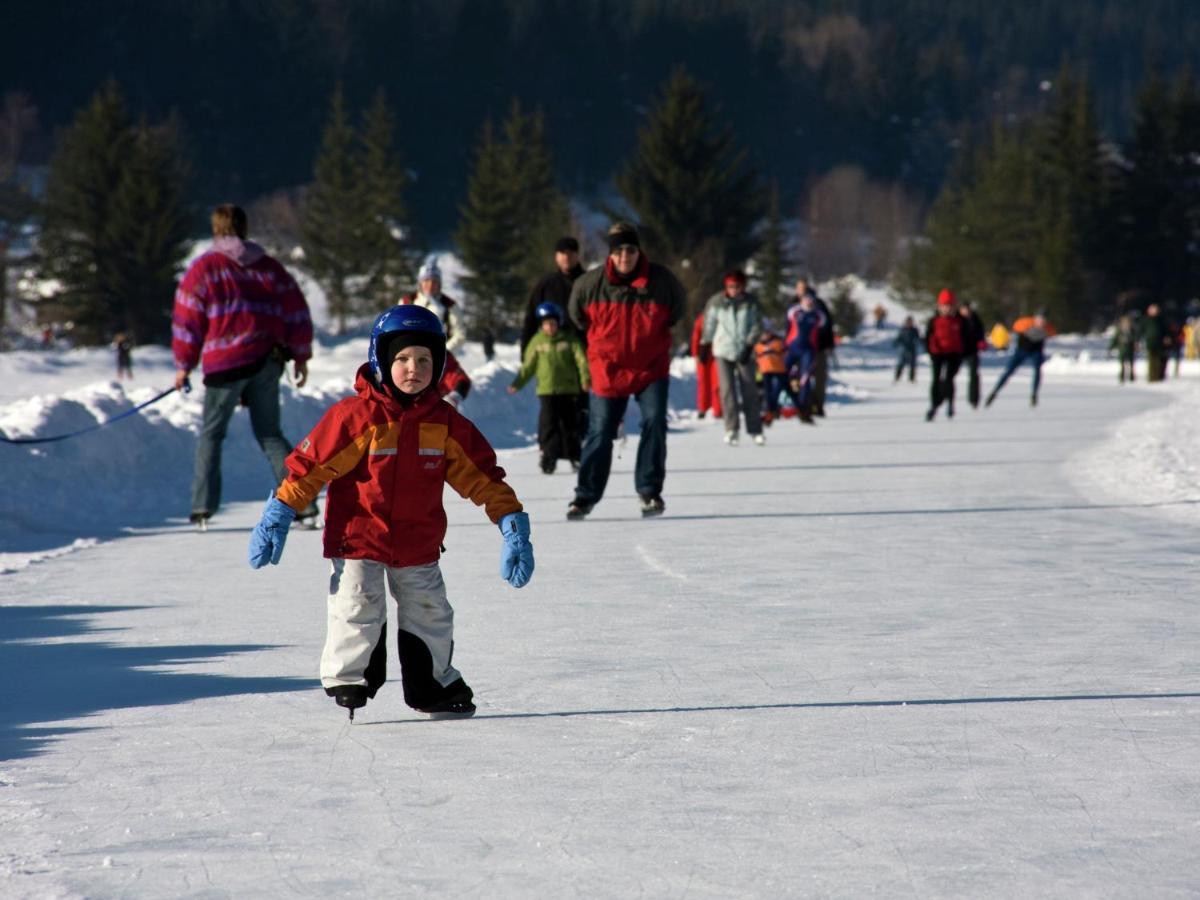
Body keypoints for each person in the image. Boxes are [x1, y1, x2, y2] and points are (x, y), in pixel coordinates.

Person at [247, 305, 533, 719]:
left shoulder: (446, 425)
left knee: (431, 612)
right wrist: (280, 511)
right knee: (357, 602)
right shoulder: (356, 418)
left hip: (418, 541)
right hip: (359, 537)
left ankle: (432, 684)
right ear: (380, 360)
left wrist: (511, 525)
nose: (412, 368)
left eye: (423, 360)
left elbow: (484, 478)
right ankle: (350, 674)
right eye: (401, 359)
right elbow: (310, 468)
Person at [172, 203, 316, 529]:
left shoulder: (204, 270)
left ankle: (202, 509)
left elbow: (187, 320)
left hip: (225, 365)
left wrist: (184, 364)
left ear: (215, 230)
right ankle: (304, 505)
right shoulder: (270, 269)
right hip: (268, 360)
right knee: (270, 434)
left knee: (211, 435)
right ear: (245, 229)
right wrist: (301, 355)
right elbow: (297, 312)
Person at [566, 222, 685, 520]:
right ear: (611, 253)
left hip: (651, 368)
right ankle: (585, 497)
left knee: (655, 420)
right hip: (608, 368)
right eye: (618, 251)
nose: (624, 257)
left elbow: (677, 311)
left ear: (638, 251)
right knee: (601, 430)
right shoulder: (590, 284)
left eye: (630, 250)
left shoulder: (662, 281)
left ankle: (649, 491)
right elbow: (576, 316)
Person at [507, 301, 590, 473]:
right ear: (541, 325)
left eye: (553, 323)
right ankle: (549, 456)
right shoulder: (537, 342)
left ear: (559, 322)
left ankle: (574, 455)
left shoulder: (569, 340)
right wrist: (517, 383)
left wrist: (585, 379)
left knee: (570, 425)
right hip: (547, 390)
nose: (550, 328)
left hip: (568, 390)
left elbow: (582, 361)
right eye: (546, 324)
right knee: (548, 425)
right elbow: (528, 367)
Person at [701, 270, 764, 445]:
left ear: (743, 286)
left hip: (745, 351)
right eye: (730, 286)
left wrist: (750, 344)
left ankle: (755, 429)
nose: (734, 290)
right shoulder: (716, 302)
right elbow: (709, 324)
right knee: (727, 390)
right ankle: (731, 428)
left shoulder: (751, 303)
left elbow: (757, 326)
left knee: (749, 389)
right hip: (723, 350)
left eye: (737, 286)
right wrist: (705, 344)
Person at [520, 237, 586, 355]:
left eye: (570, 253)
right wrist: (525, 352)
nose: (566, 257)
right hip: (553, 353)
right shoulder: (546, 284)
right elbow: (531, 319)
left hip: (584, 348)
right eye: (562, 253)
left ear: (577, 255)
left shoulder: (588, 282)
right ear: (556, 256)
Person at [985, 310, 1056, 407]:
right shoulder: (1026, 323)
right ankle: (994, 392)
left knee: (1037, 371)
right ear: (1035, 318)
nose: (1041, 322)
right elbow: (1015, 327)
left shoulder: (1048, 328)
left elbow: (1052, 334)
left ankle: (1034, 394)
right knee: (1009, 371)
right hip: (1021, 351)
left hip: (1036, 352)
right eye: (1040, 320)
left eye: (1043, 320)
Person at [790, 279, 835, 416]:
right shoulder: (793, 305)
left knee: (819, 377)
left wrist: (828, 344)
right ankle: (803, 404)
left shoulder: (818, 304)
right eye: (798, 288)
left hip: (818, 347)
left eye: (803, 288)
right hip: (798, 347)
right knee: (798, 377)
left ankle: (818, 405)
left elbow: (827, 325)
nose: (800, 290)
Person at [403, 258, 465, 351]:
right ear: (420, 283)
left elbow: (460, 335)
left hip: (441, 358)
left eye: (434, 281)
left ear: (439, 284)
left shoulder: (450, 306)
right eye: (426, 280)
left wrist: (443, 352)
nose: (430, 285)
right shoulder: (407, 301)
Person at [783, 290, 823, 424]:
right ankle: (775, 406)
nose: (808, 301)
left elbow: (821, 335)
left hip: (808, 351)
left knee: (805, 380)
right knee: (781, 375)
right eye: (806, 298)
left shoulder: (818, 315)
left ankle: (803, 409)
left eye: (811, 298)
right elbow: (787, 329)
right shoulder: (794, 311)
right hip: (792, 348)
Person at [923, 290, 964, 421]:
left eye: (950, 305)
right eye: (944, 305)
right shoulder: (934, 320)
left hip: (954, 353)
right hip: (938, 353)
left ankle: (950, 404)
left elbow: (967, 337)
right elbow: (927, 337)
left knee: (948, 379)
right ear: (939, 306)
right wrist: (930, 350)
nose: (947, 308)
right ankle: (934, 405)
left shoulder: (959, 321)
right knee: (936, 379)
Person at [755, 322, 804, 425]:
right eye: (763, 333)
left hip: (779, 370)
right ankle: (770, 412)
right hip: (765, 371)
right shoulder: (757, 345)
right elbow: (756, 358)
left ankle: (800, 409)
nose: (765, 335)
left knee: (788, 390)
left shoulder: (778, 341)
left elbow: (786, 354)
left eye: (767, 332)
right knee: (768, 393)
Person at [690, 311, 722, 420]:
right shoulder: (701, 319)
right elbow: (696, 336)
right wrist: (695, 353)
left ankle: (718, 409)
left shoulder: (722, 317)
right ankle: (702, 409)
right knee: (703, 382)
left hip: (717, 354)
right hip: (703, 355)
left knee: (717, 383)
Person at [957, 298, 986, 408]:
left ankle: (974, 399)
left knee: (974, 374)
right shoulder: (956, 319)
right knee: (950, 374)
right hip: (958, 349)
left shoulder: (975, 318)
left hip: (972, 350)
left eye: (967, 309)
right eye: (964, 309)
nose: (966, 311)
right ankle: (945, 397)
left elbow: (980, 331)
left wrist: (981, 341)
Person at [1139, 303, 1170, 382]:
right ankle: (1152, 377)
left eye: (1156, 310)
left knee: (1160, 360)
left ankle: (1159, 376)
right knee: (1152, 360)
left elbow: (1166, 330)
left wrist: (1167, 338)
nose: (1155, 311)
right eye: (1153, 310)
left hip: (1160, 343)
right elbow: (1140, 331)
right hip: (1150, 342)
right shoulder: (1145, 319)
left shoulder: (1161, 320)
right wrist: (1138, 341)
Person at [1109, 315, 1137, 383]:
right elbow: (1115, 339)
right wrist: (1111, 347)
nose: (1126, 323)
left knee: (1131, 364)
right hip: (1122, 349)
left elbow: (1136, 339)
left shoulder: (1132, 330)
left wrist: (1136, 345)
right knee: (1122, 364)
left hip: (1130, 349)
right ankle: (1122, 377)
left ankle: (1131, 377)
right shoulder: (1119, 330)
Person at [893, 316, 919, 382]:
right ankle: (897, 378)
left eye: (910, 322)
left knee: (912, 365)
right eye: (908, 322)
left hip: (912, 349)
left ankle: (912, 379)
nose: (909, 323)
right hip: (904, 349)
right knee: (901, 364)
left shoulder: (914, 330)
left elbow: (918, 338)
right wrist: (896, 343)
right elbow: (899, 338)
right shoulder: (903, 330)